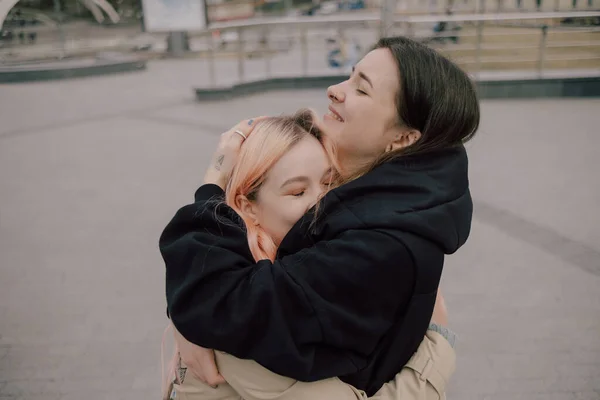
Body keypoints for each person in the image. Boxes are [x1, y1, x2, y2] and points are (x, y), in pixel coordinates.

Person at [161, 36, 479, 397]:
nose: (334, 90)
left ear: (403, 138)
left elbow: (223, 305)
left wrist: (213, 184)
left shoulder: (378, 243)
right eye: (349, 76)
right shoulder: (386, 194)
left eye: (361, 89)